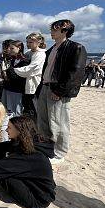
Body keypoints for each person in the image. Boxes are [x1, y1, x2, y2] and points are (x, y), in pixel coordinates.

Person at [36, 19, 87, 163]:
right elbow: (47, 70)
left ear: (64, 31)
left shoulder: (75, 47)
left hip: (57, 90)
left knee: (58, 122)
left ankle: (59, 153)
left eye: (55, 29)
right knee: (43, 121)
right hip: (45, 87)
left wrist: (60, 91)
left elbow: (76, 73)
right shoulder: (51, 49)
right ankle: (45, 149)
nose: (52, 32)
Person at [13, 33, 46, 119]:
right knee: (27, 109)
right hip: (24, 85)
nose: (28, 44)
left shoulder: (41, 54)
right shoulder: (28, 53)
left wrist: (13, 70)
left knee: (34, 109)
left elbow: (30, 69)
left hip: (34, 84)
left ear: (39, 42)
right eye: (27, 42)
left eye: (31, 42)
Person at [2, 40, 30, 117]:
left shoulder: (25, 61)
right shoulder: (12, 60)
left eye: (12, 48)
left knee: (16, 112)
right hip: (8, 88)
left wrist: (8, 71)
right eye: (9, 48)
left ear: (19, 48)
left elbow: (18, 76)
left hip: (17, 90)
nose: (9, 50)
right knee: (7, 111)